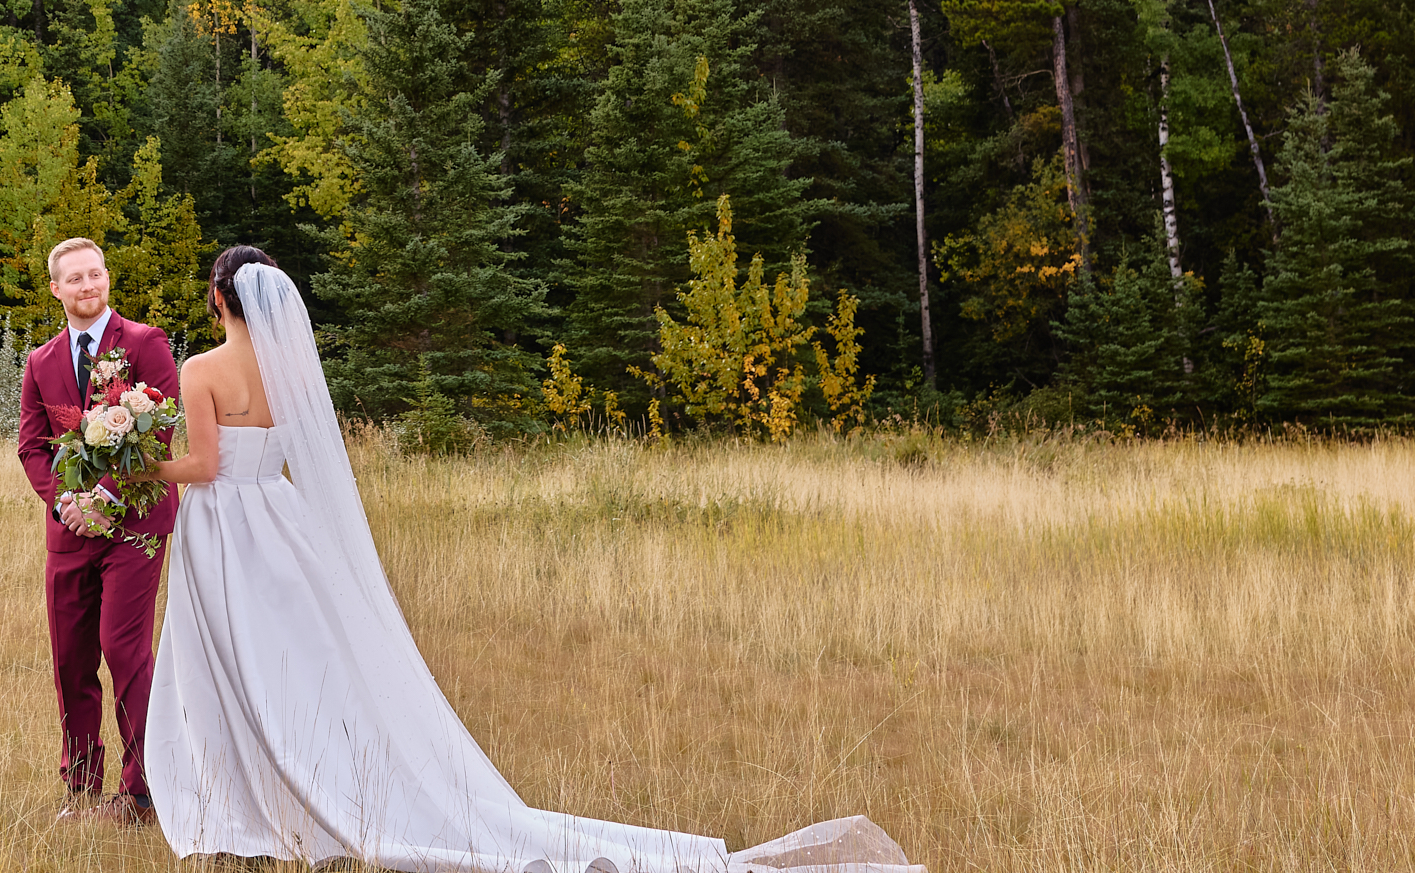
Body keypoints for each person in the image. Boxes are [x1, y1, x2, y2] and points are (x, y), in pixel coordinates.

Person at [137, 246, 925, 873]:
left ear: (217, 298)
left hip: (228, 529)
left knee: (229, 668)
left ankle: (244, 806)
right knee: (295, 670)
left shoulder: (202, 369)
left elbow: (205, 466)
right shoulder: (291, 373)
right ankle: (293, 798)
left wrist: (145, 469)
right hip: (285, 524)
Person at [15, 236, 182, 825]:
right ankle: (82, 788)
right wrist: (67, 503)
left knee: (123, 648)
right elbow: (32, 446)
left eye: (97, 275)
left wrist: (106, 497)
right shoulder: (40, 362)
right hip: (70, 532)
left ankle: (144, 791)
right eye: (77, 279)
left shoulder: (143, 343)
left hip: (135, 525)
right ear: (56, 289)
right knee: (70, 659)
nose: (90, 286)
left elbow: (160, 430)